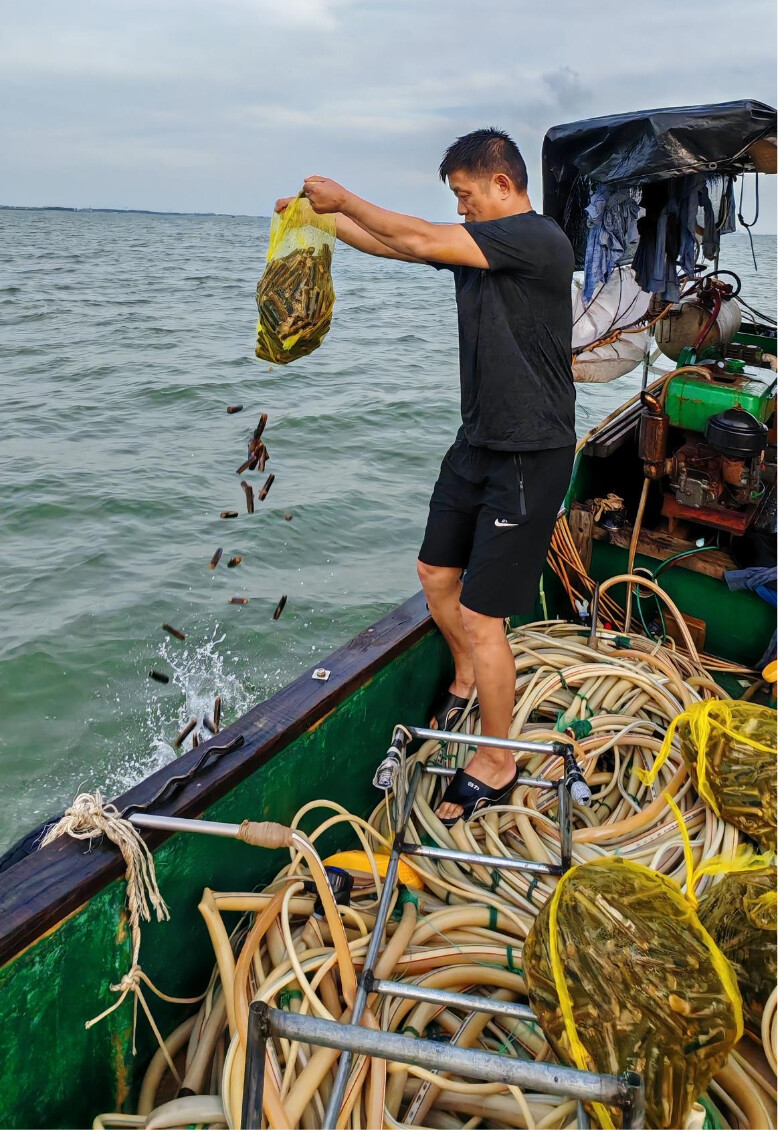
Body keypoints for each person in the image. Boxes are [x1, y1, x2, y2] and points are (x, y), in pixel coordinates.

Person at [276, 127, 575, 825]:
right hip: (478, 442)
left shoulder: (538, 240)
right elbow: (391, 243)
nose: (461, 209)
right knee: (435, 573)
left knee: (482, 612)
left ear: (503, 184)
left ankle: (498, 759)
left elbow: (414, 236)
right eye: (456, 201)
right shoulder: (479, 251)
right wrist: (322, 218)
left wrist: (345, 194)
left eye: (466, 195)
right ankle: (466, 671)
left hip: (531, 455)